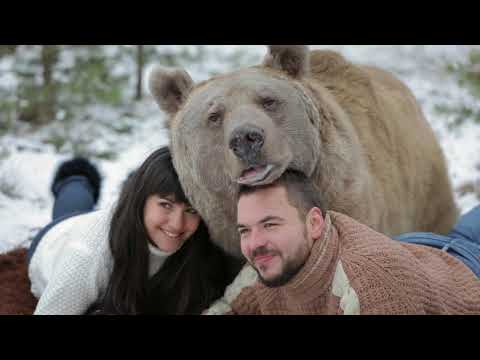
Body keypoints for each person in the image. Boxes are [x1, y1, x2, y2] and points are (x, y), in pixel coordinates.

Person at [204, 170, 480, 315]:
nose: (254, 243)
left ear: (314, 223)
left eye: (270, 224)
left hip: (469, 272)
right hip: (419, 253)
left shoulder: (371, 287)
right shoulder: (272, 258)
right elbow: (231, 308)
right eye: (245, 230)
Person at [28, 146, 240, 315]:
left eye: (191, 210)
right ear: (142, 200)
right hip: (55, 240)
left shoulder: (202, 236)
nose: (177, 224)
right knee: (76, 196)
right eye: (165, 204)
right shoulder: (87, 255)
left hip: (119, 220)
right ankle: (75, 179)